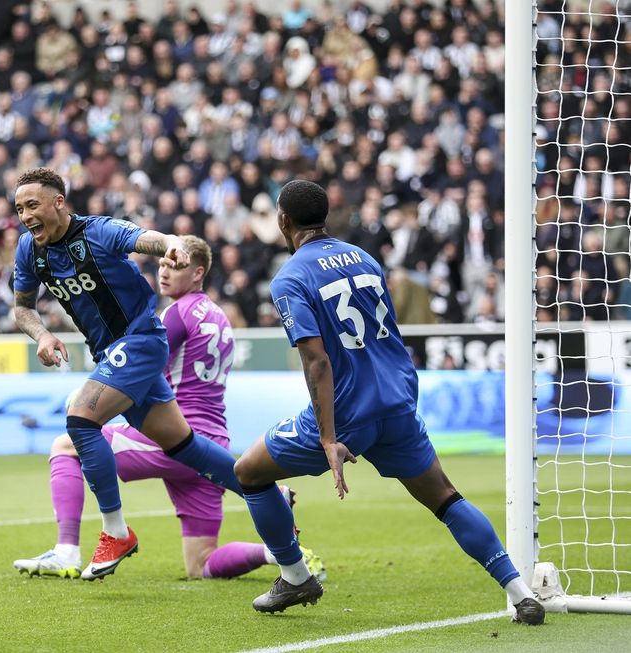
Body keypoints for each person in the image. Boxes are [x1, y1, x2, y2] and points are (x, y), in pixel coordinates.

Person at [232, 180, 545, 626]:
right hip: (396, 402)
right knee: (445, 498)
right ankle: (520, 593)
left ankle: (295, 575)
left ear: (283, 221)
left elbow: (316, 361)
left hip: (347, 410)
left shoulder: (290, 278)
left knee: (249, 472)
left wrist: (327, 438)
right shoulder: (364, 258)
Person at [13, 236, 324, 580]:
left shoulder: (175, 314)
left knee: (66, 446)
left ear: (198, 273)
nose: (164, 271)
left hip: (172, 433)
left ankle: (66, 550)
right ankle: (277, 551)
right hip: (214, 440)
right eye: (162, 264)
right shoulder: (219, 315)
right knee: (201, 563)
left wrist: (96, 393)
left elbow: (142, 372)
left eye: (175, 265)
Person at [12, 167, 247, 581]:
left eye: (33, 205)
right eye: (19, 208)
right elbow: (23, 307)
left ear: (58, 203)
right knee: (186, 448)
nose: (26, 215)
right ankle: (264, 490)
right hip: (113, 353)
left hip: (139, 340)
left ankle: (114, 532)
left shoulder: (97, 232)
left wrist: (171, 242)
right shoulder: (29, 251)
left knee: (80, 420)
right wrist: (42, 335)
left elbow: (143, 238)